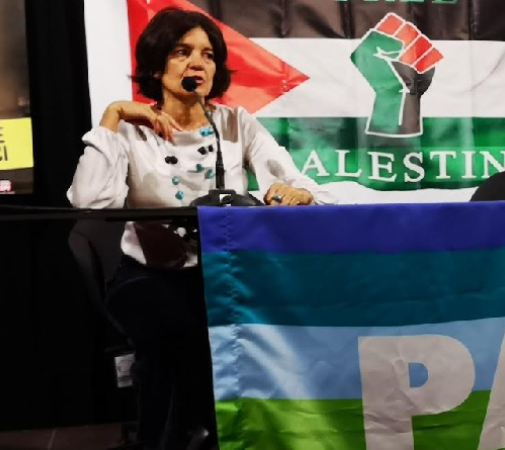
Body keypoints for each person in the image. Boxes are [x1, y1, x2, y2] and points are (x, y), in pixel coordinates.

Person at [67, 7, 337, 449]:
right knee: (177, 332)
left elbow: (299, 185)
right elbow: (90, 202)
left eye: (208, 55)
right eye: (182, 52)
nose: (198, 63)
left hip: (225, 273)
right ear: (157, 66)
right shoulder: (132, 130)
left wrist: (297, 193)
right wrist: (113, 116)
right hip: (151, 277)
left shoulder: (236, 124)